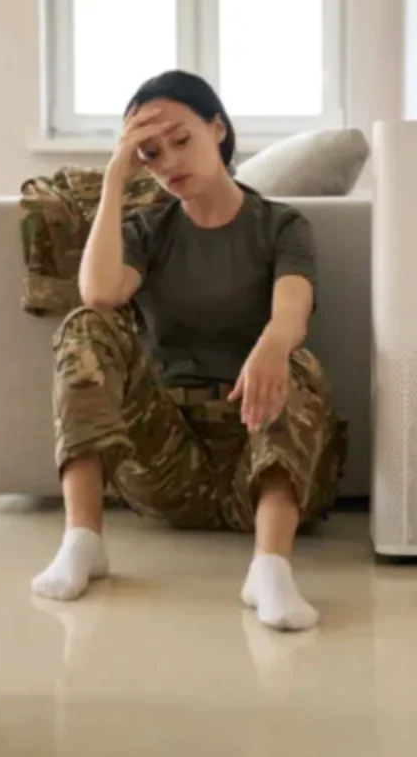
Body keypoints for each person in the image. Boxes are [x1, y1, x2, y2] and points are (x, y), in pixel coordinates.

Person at [30, 70, 344, 631]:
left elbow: (291, 314)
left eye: (181, 140)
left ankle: (270, 568)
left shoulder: (281, 226)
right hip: (169, 467)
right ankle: (83, 540)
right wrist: (115, 181)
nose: (170, 161)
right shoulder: (148, 228)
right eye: (151, 153)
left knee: (295, 359)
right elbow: (99, 294)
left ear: (217, 129)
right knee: (86, 327)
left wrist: (272, 344)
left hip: (259, 455)